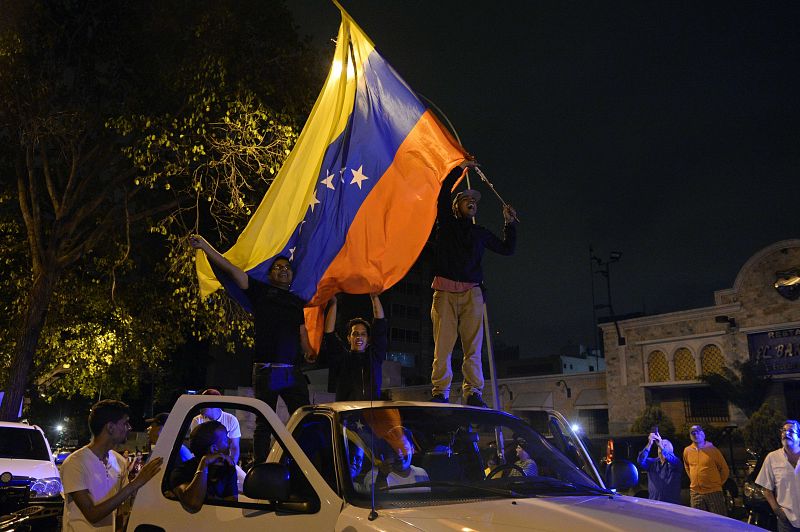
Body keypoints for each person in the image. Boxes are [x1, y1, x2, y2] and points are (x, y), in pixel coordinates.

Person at [190, 235, 312, 462]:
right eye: (277, 267)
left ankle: (303, 464)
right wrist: (205, 247)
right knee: (264, 423)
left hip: (292, 371)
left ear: (292, 274)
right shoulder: (260, 292)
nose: (283, 270)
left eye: (287, 267)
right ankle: (262, 468)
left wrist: (309, 350)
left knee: (305, 418)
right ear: (270, 274)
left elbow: (302, 332)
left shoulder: (297, 303)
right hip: (266, 370)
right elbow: (231, 270)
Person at [429, 159, 517, 407]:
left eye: (475, 201)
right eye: (466, 199)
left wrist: (509, 224)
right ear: (456, 207)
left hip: (472, 294)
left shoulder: (480, 234)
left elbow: (507, 249)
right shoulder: (446, 225)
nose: (472, 202)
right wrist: (461, 167)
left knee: (473, 349)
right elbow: (442, 194)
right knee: (443, 348)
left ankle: (473, 393)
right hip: (445, 292)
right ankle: (440, 392)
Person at [61, 400, 162, 531]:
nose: (129, 428)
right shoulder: (75, 463)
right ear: (110, 427)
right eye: (125, 423)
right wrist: (137, 482)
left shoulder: (119, 461)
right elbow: (92, 514)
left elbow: (120, 509)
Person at [319, 294, 387, 401]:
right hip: (347, 414)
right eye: (355, 333)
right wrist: (333, 303)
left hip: (370, 414)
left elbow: (380, 324)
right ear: (349, 338)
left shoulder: (374, 357)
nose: (359, 337)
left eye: (363, 334)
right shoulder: (342, 357)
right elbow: (329, 333)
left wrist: (374, 297)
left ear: (368, 339)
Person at [169, 420, 237, 513]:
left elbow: (230, 508)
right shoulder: (181, 472)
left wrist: (206, 497)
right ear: (214, 449)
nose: (230, 441)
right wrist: (204, 464)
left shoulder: (227, 468)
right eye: (226, 439)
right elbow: (193, 504)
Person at [756, 419, 800, 531]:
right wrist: (777, 510)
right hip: (787, 521)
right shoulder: (772, 458)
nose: (786, 434)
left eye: (791, 431)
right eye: (783, 431)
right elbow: (766, 488)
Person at [363, 428, 429, 492]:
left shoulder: (421, 473)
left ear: (412, 449)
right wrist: (381, 477)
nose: (399, 454)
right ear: (387, 451)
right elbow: (377, 499)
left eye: (403, 448)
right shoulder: (373, 475)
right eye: (393, 449)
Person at [683, 424, 729, 515]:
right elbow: (687, 466)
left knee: (718, 519)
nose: (695, 435)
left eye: (697, 432)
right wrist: (694, 480)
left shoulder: (713, 450)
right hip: (696, 493)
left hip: (713, 492)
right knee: (699, 521)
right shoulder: (687, 451)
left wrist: (717, 483)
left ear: (703, 434)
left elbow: (724, 469)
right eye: (693, 433)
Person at [637, 431, 681, 504]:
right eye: (659, 445)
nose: (661, 446)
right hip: (654, 503)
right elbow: (640, 460)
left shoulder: (675, 462)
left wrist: (661, 445)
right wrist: (650, 443)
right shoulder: (652, 463)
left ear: (671, 450)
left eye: (665, 445)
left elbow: (672, 459)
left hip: (672, 505)